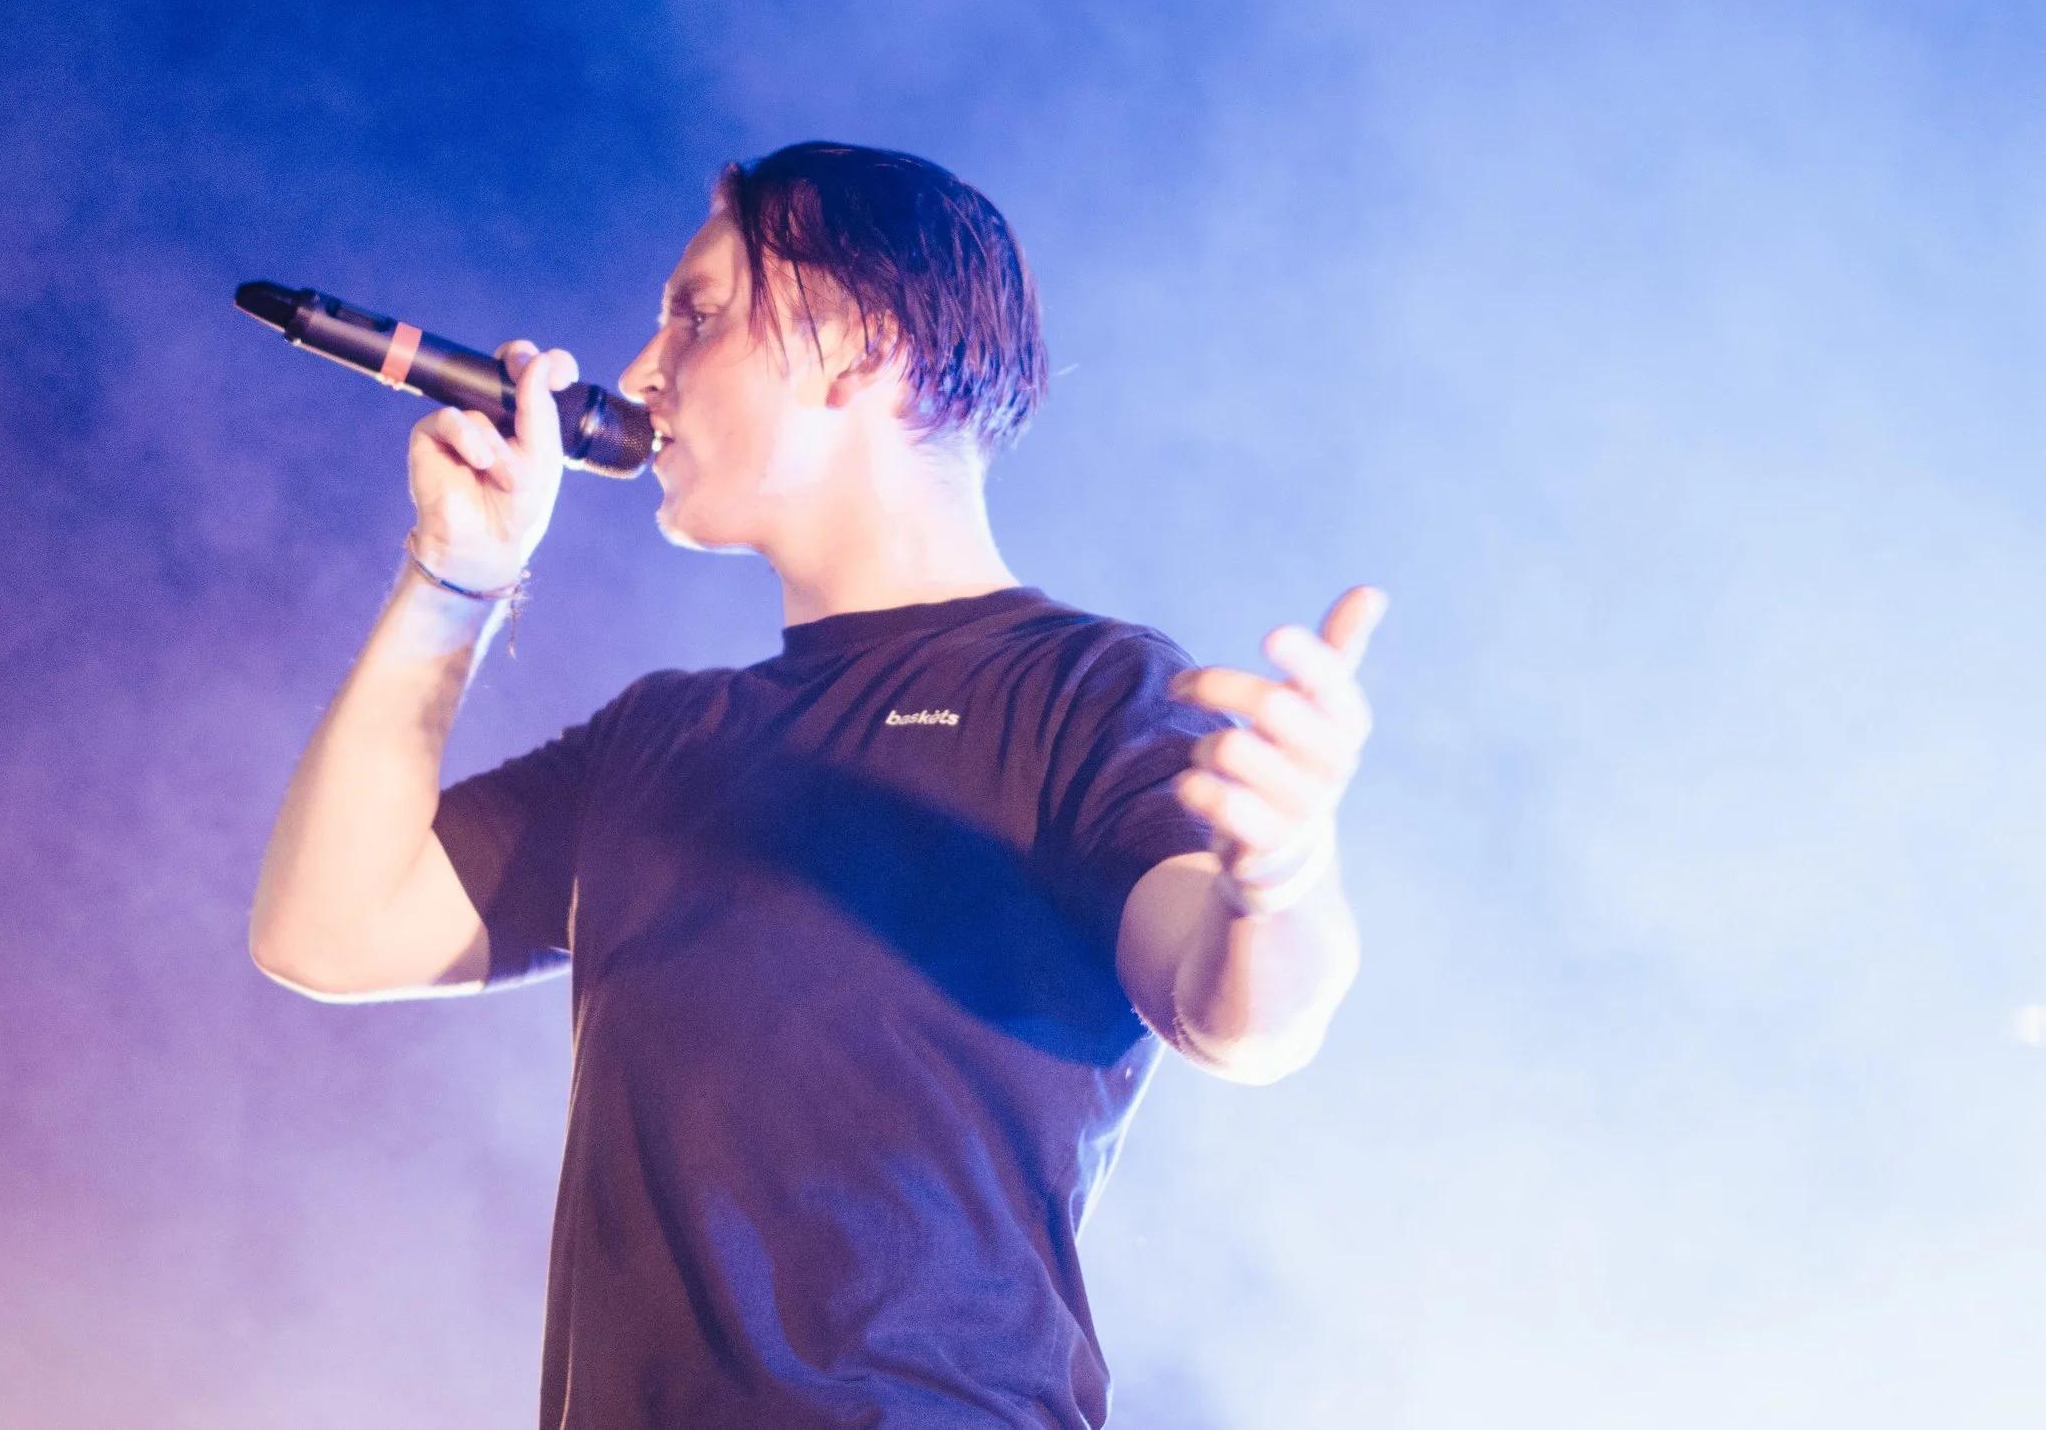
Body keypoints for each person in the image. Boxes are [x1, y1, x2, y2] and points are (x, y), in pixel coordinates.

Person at [248, 142, 1385, 1429]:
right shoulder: (659, 739)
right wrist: (452, 583)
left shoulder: (1083, 691)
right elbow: (324, 928)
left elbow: (1234, 1013)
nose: (637, 370)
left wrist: (1284, 877)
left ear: (860, 343)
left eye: (699, 311)